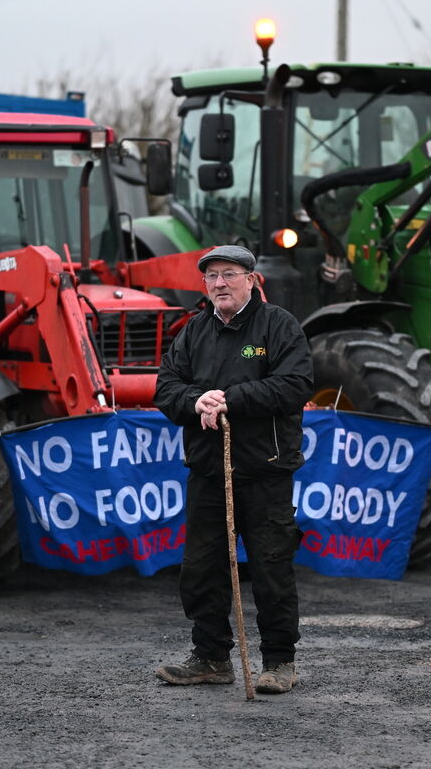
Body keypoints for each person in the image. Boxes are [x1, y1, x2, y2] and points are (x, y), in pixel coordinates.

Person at [154, 245, 314, 694]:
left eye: (228, 274)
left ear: (251, 279)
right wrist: (195, 400)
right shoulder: (194, 330)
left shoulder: (278, 325)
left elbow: (295, 384)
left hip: (265, 470)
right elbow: (166, 388)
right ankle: (210, 657)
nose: (219, 283)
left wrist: (230, 399)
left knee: (271, 567)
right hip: (208, 471)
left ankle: (279, 661)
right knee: (201, 568)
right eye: (211, 276)